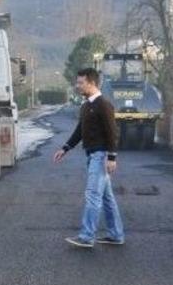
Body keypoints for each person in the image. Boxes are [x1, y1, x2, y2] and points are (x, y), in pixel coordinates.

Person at [52, 67, 125, 248]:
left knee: (93, 196)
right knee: (107, 198)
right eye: (77, 82)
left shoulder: (103, 105)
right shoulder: (86, 106)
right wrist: (65, 148)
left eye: (81, 83)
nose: (78, 86)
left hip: (100, 156)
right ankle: (116, 235)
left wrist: (112, 157)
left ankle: (86, 236)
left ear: (92, 83)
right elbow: (79, 131)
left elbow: (112, 132)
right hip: (92, 155)